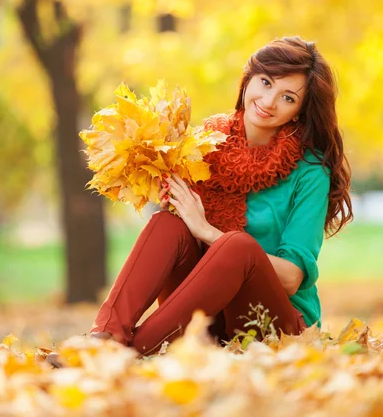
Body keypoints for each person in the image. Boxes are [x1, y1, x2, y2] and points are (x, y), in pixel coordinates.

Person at [89, 36, 353, 356]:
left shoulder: (310, 171)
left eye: (287, 97)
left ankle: (127, 352)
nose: (269, 101)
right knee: (168, 223)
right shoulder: (206, 144)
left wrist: (209, 232)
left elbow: (292, 278)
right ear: (248, 80)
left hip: (275, 326)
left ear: (299, 111)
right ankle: (105, 337)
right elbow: (180, 241)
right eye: (265, 82)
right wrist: (172, 197)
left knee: (238, 246)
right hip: (209, 317)